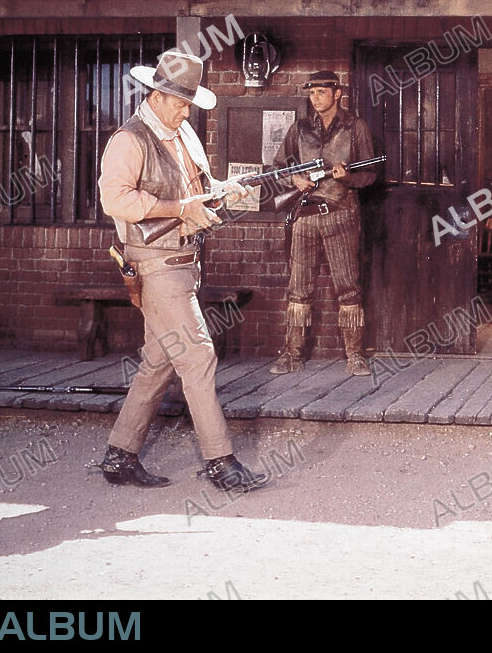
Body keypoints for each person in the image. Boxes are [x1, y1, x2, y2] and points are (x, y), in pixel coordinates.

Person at [96, 49, 266, 492]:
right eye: (176, 101)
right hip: (157, 266)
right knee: (198, 355)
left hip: (186, 263)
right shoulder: (128, 139)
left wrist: (226, 190)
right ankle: (220, 463)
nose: (184, 109)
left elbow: (201, 192)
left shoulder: (184, 134)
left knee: (158, 361)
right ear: (155, 94)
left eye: (188, 102)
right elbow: (116, 201)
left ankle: (119, 455)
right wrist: (179, 209)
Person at [268, 70, 376, 376]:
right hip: (305, 214)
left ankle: (354, 356)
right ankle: (291, 354)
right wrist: (295, 177)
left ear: (337, 94)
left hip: (341, 212)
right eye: (312, 93)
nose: (316, 98)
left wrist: (349, 176)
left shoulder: (356, 127)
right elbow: (278, 166)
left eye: (322, 92)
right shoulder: (300, 128)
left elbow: (370, 175)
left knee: (348, 287)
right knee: (298, 288)